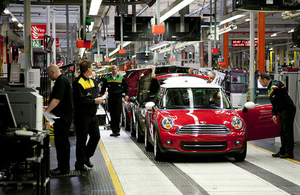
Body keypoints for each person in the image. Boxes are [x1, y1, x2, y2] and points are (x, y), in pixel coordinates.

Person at [73, 60, 104, 171]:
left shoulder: (92, 81)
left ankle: (86, 157)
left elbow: (93, 96)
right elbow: (79, 101)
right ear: (88, 69)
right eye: (92, 67)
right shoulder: (78, 83)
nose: (92, 69)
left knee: (96, 136)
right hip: (82, 116)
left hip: (92, 115)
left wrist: (98, 100)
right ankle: (79, 164)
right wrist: (94, 101)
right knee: (82, 140)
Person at [44, 64, 73, 175]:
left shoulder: (61, 81)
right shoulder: (63, 80)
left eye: (48, 74)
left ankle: (63, 168)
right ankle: (62, 167)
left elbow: (56, 100)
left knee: (62, 142)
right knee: (61, 142)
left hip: (62, 117)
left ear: (53, 72)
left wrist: (46, 111)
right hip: (62, 116)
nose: (48, 76)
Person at [259, 72, 296, 159]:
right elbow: (274, 103)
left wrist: (276, 86)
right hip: (282, 111)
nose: (260, 83)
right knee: (282, 131)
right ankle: (283, 151)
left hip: (288, 109)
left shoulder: (276, 84)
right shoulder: (269, 90)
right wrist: (274, 114)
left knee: (287, 131)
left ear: (265, 80)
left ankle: (289, 152)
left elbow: (281, 86)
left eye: (260, 81)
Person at [100, 65, 130, 137]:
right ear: (111, 70)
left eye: (115, 69)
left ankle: (117, 130)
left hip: (118, 98)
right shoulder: (107, 78)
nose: (114, 71)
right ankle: (114, 131)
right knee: (112, 114)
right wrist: (101, 96)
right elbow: (103, 87)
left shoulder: (121, 78)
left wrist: (127, 95)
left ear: (117, 70)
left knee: (117, 114)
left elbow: (126, 87)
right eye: (113, 69)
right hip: (111, 98)